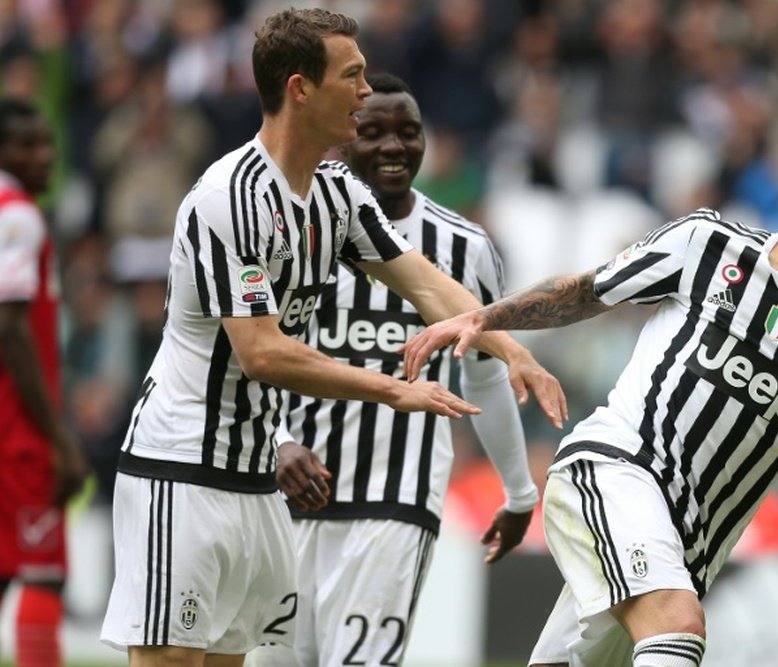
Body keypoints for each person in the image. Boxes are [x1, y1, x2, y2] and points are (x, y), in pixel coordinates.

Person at [99, 9, 566, 667]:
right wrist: (392, 391)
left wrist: (512, 348)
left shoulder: (333, 198)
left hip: (257, 487)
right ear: (300, 90)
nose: (367, 91)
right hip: (183, 471)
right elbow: (262, 351)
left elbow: (427, 285)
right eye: (353, 76)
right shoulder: (230, 196)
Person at [402, 130, 778, 667]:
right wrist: (486, 316)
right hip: (615, 469)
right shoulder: (707, 244)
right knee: (678, 627)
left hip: (691, 549)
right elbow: (586, 292)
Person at [246, 71, 538, 667]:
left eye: (408, 132)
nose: (393, 147)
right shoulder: (290, 227)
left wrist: (517, 489)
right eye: (373, 131)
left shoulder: (465, 247)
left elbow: (482, 373)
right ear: (342, 135)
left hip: (397, 500)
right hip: (286, 492)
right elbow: (247, 350)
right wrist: (275, 441)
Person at [0, 98, 89, 666]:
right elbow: (10, 330)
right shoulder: (19, 215)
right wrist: (59, 440)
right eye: (28, 145)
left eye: (48, 143)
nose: (46, 157)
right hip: (18, 434)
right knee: (43, 573)